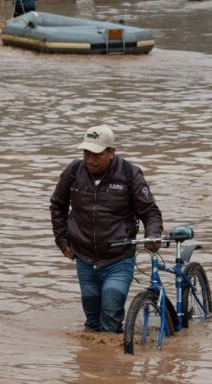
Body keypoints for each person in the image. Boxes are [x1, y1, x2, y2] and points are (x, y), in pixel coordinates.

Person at [50, 125, 163, 333]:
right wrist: (62, 240)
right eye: (86, 153)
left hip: (118, 258)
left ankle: (115, 359)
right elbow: (57, 205)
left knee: (111, 315)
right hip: (84, 257)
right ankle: (93, 362)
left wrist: (152, 235)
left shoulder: (130, 174)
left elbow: (150, 212)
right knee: (92, 321)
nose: (90, 160)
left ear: (112, 152)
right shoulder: (73, 172)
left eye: (97, 154)